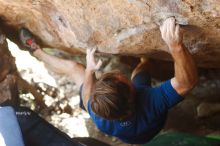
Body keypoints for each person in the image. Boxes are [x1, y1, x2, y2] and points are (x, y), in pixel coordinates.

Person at [19, 17, 198, 144]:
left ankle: (36, 51)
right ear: (132, 91)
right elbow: (186, 82)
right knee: (141, 74)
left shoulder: (99, 114)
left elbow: (88, 96)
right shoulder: (151, 101)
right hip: (149, 127)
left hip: (131, 131)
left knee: (75, 69)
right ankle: (146, 61)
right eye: (121, 78)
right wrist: (175, 46)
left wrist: (89, 69)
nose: (119, 73)